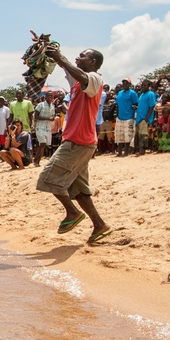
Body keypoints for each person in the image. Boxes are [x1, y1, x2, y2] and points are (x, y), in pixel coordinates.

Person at [35, 45, 112, 243]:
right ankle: (99, 225)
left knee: (48, 178)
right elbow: (68, 68)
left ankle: (72, 212)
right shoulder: (78, 82)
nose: (77, 58)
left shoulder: (94, 78)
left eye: (82, 56)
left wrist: (61, 58)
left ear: (93, 62)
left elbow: (78, 73)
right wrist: (48, 47)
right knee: (79, 191)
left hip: (78, 142)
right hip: (81, 142)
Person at [114, 78, 138, 157]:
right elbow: (117, 105)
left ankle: (126, 152)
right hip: (120, 117)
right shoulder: (120, 93)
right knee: (119, 135)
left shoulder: (133, 93)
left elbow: (136, 104)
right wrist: (117, 116)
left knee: (128, 135)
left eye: (126, 83)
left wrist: (134, 110)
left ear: (129, 84)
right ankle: (119, 152)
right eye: (123, 82)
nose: (124, 84)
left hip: (129, 116)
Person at [135, 79, 157, 156]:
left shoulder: (150, 94)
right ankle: (140, 149)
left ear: (148, 86)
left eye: (145, 85)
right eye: (142, 85)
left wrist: (147, 118)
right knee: (139, 134)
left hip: (145, 118)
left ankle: (142, 150)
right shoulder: (141, 95)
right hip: (139, 118)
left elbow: (152, 106)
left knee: (143, 135)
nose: (143, 87)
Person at [33, 92, 56, 166]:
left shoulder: (52, 106)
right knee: (42, 143)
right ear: (45, 96)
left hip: (48, 127)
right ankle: (35, 159)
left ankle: (38, 161)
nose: (50, 97)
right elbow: (36, 116)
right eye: (49, 95)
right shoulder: (41, 105)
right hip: (40, 126)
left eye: (51, 96)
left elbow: (52, 115)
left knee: (44, 144)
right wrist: (47, 118)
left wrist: (52, 118)